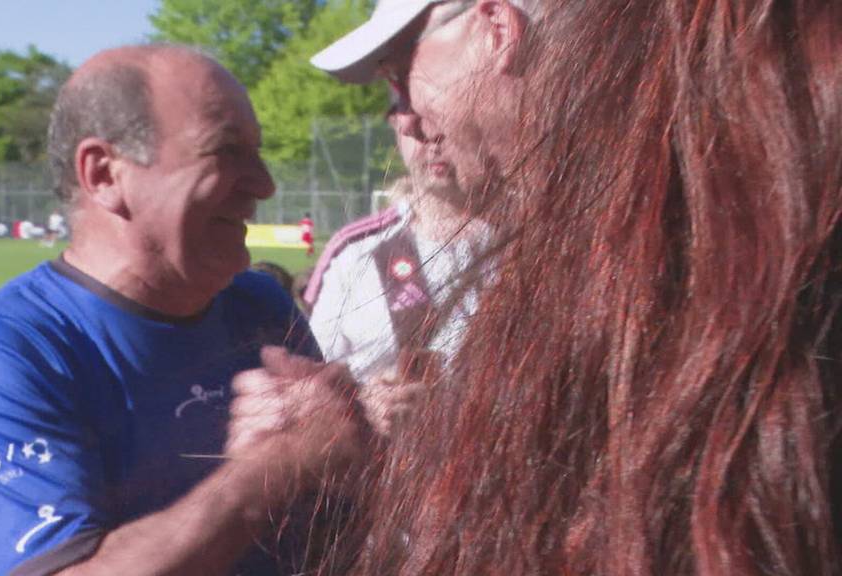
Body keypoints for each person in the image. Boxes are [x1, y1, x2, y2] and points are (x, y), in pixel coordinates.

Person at [311, 1, 842, 575]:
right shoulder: (618, 219)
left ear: (495, 28)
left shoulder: (693, 218)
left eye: (400, 74)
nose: (405, 114)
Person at [0, 44, 366, 576]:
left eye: (256, 153)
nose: (263, 184)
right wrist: (272, 468)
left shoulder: (261, 305)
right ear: (104, 173)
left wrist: (367, 435)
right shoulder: (13, 350)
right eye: (226, 151)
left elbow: (333, 516)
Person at [304, 110, 489, 390]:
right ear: (397, 127)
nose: (433, 138)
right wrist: (367, 404)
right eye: (417, 116)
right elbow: (313, 379)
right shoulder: (354, 250)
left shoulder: (533, 242)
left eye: (444, 117)